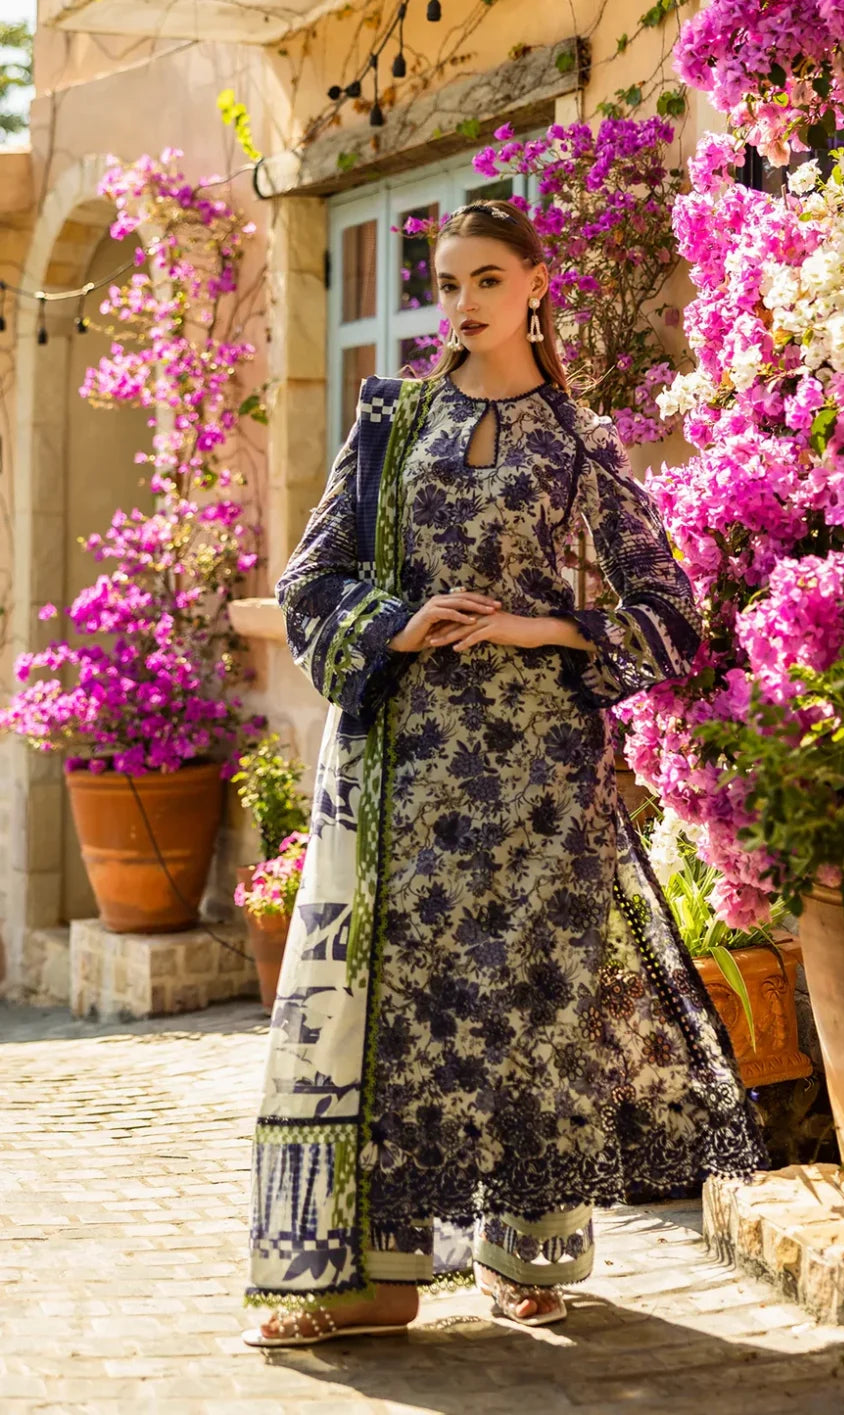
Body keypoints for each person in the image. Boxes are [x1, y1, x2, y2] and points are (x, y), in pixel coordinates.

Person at [242, 198, 766, 1346]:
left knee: (532, 1008)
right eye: (449, 284)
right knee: (407, 1010)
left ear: (536, 283)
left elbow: (671, 613)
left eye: (487, 279)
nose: (464, 303)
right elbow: (310, 578)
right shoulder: (394, 419)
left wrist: (544, 630)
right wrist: (402, 618)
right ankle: (375, 1281)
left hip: (542, 774)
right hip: (409, 764)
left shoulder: (582, 442)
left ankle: (529, 1255)